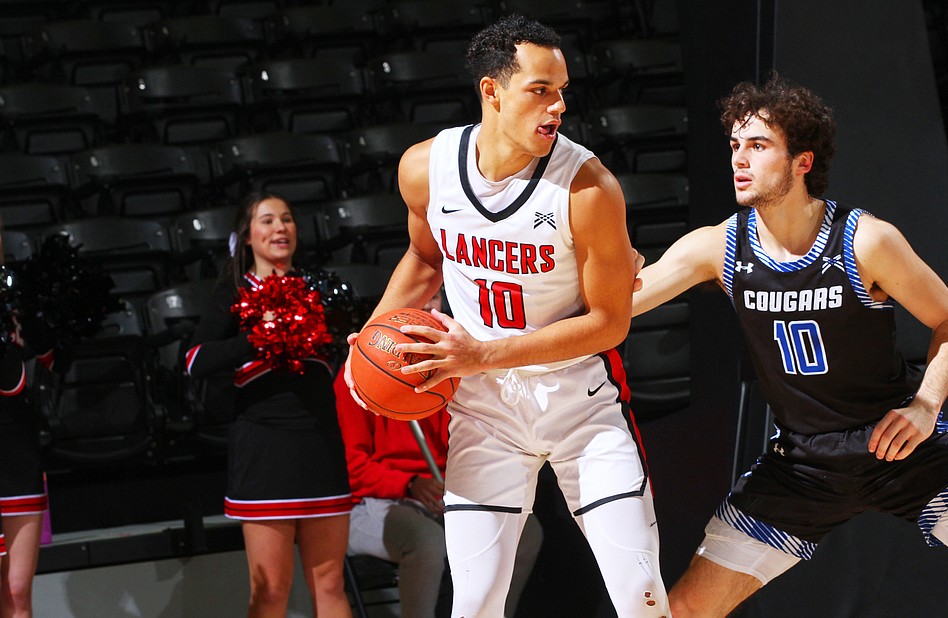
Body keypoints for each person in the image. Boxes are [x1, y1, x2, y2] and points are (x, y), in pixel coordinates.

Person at [631, 75, 948, 618]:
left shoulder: (866, 240)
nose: (739, 159)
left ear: (803, 161)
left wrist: (925, 406)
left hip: (898, 451)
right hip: (803, 465)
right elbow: (621, 305)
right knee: (684, 610)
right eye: (735, 145)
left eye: (757, 146)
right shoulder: (717, 246)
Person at [343, 14, 670, 617]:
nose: (558, 107)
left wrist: (483, 353)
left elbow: (610, 323)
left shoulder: (589, 188)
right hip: (487, 412)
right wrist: (368, 348)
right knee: (474, 603)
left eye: (563, 91)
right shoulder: (425, 168)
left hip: (582, 408)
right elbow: (423, 259)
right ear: (491, 91)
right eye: (540, 90)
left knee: (640, 598)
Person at [186, 192, 354, 618]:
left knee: (331, 586)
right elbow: (193, 360)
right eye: (267, 221)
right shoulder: (234, 293)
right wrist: (257, 337)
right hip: (264, 451)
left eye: (287, 219)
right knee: (271, 591)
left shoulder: (319, 290)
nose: (280, 228)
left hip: (321, 446)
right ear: (246, 237)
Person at [335, 364, 544, 618]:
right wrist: (409, 483)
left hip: (436, 495)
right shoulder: (360, 374)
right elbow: (350, 467)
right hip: (370, 503)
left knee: (525, 531)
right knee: (427, 541)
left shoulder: (444, 372)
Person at [0, 222, 49, 618]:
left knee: (17, 593)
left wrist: (38, 325)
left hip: (17, 446)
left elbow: (53, 357)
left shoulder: (17, 295)